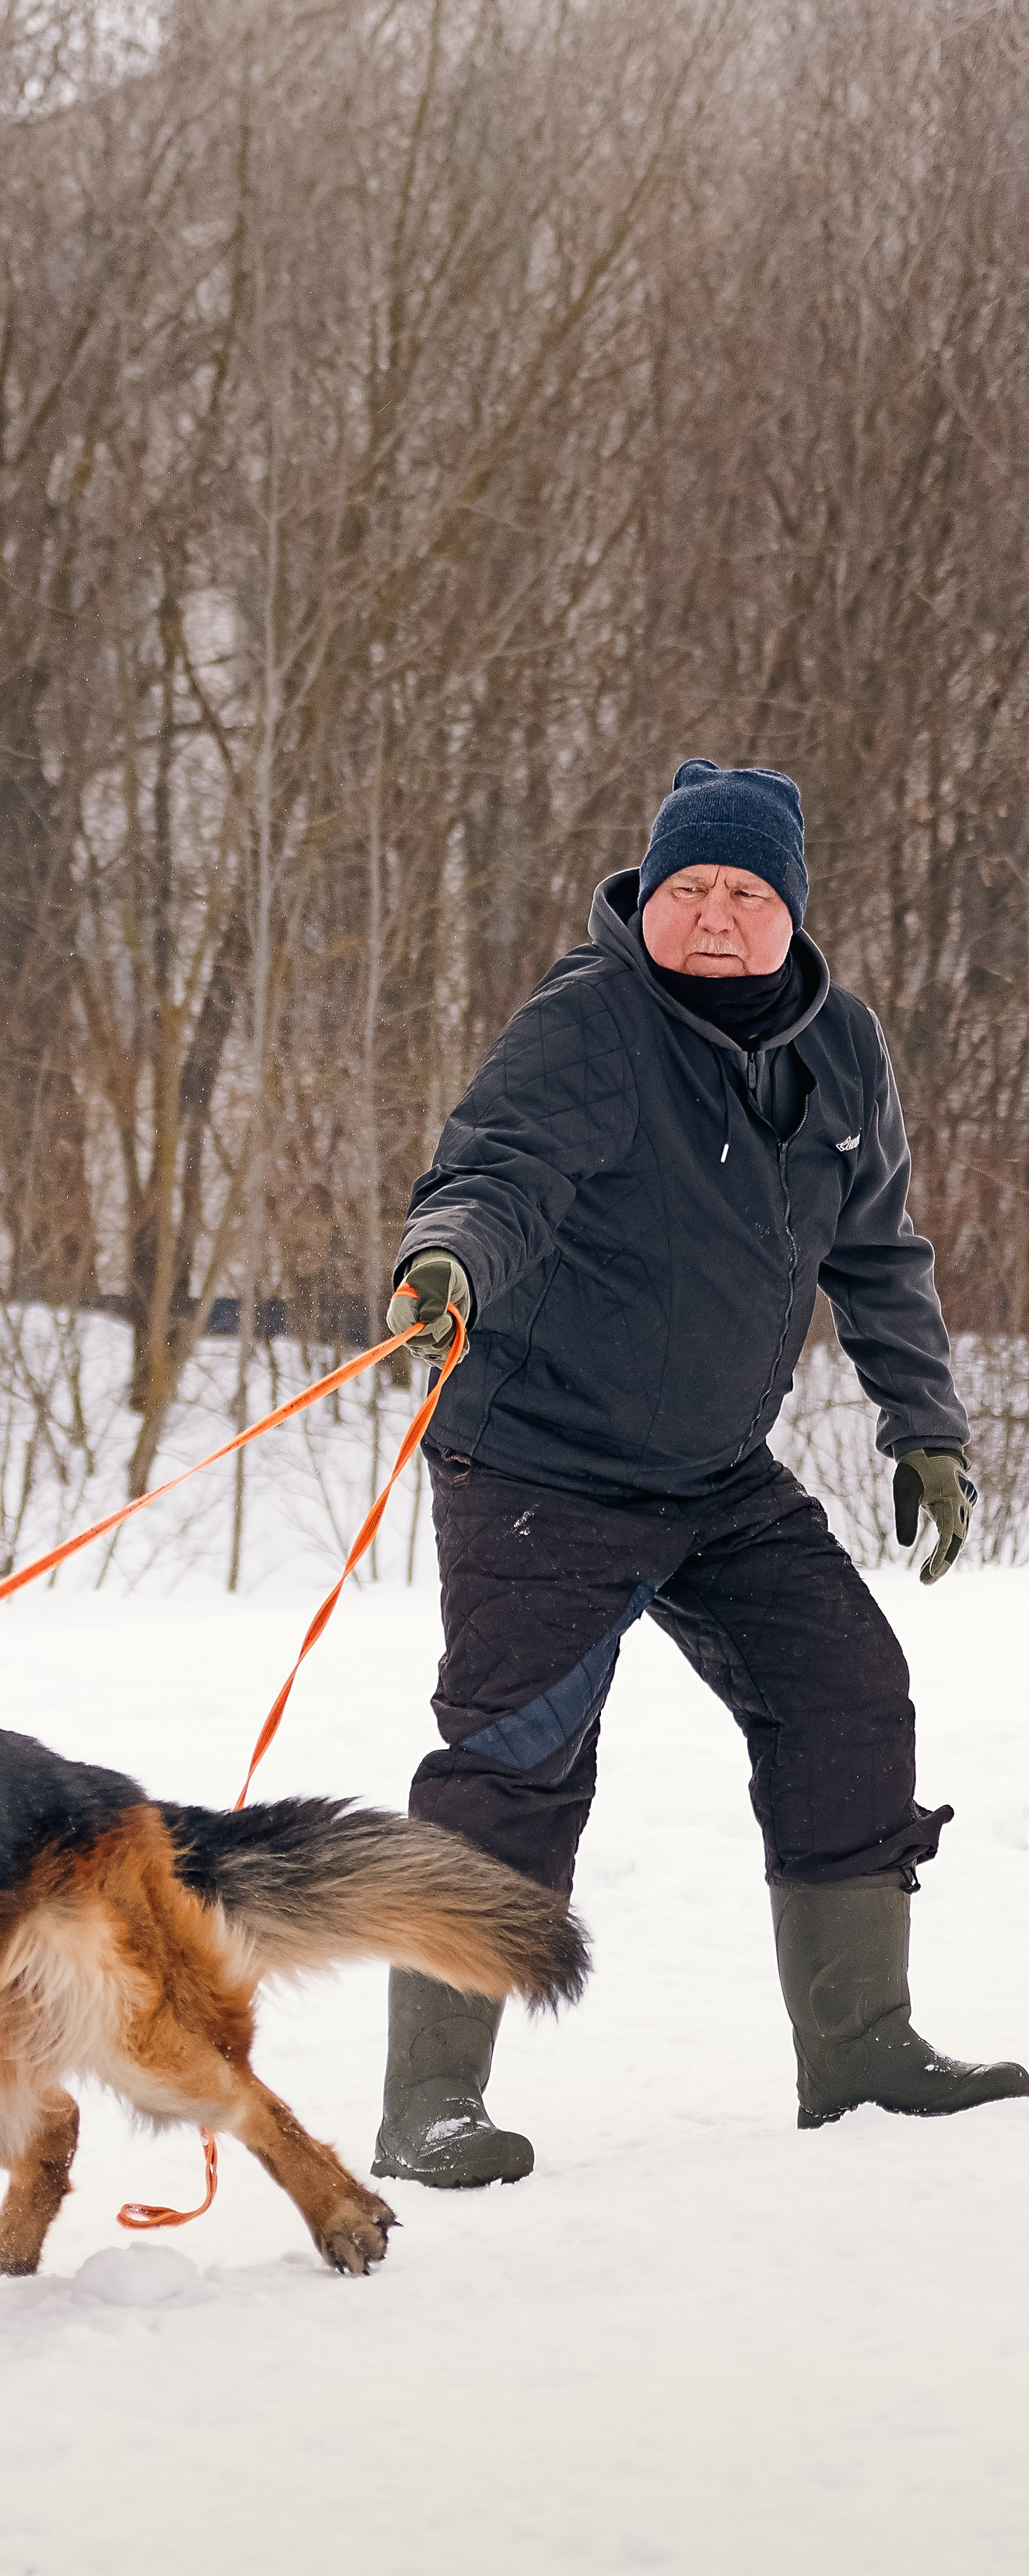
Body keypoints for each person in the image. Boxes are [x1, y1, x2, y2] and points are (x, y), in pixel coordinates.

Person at [374, 757, 1024, 2188]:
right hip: (542, 1459)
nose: (714, 916)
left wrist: (922, 1423)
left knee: (844, 1693)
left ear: (787, 911)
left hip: (717, 1473)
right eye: (688, 889)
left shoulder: (839, 1047)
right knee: (514, 1762)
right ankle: (428, 2102)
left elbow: (875, 1251)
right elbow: (495, 1170)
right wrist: (446, 1264)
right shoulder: (588, 1023)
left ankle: (859, 2049)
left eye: (742, 892)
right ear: (645, 899)